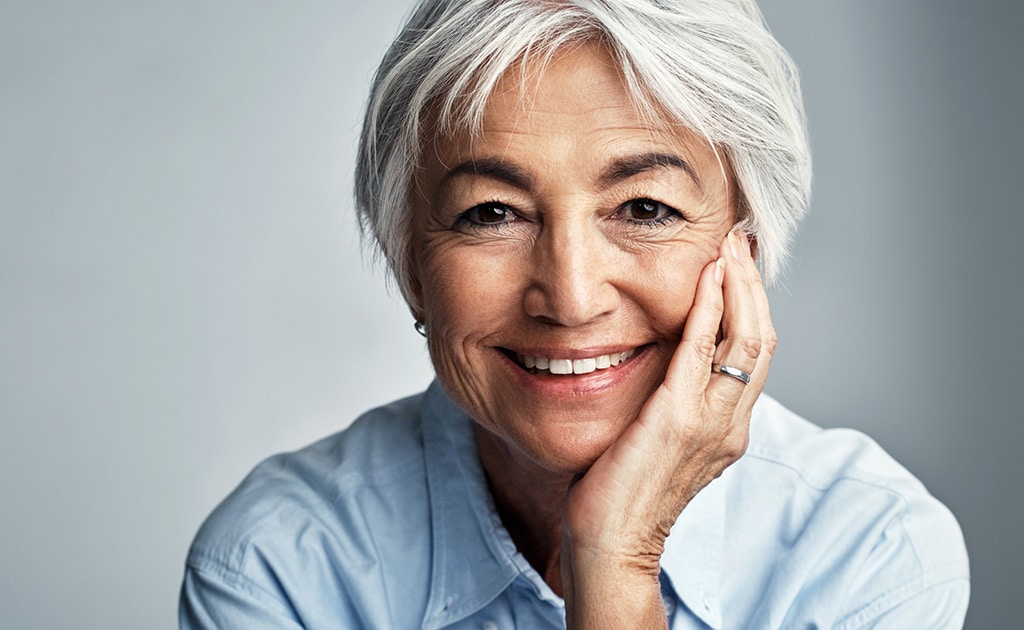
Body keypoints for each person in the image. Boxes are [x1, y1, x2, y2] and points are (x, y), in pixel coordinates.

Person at [180, 0, 970, 627]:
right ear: (409, 265)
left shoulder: (867, 554)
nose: (571, 296)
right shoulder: (279, 563)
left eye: (646, 208)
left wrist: (618, 561)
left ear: (748, 250)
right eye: (491, 213)